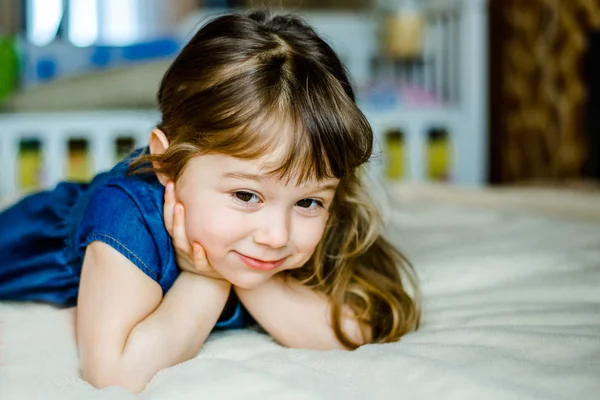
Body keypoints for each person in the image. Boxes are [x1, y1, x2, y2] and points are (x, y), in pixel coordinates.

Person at [0, 10, 420, 393]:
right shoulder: (126, 215)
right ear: (167, 164)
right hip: (24, 240)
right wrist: (208, 279)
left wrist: (232, 274)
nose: (277, 235)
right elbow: (113, 374)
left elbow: (357, 328)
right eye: (245, 195)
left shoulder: (308, 210)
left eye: (308, 202)